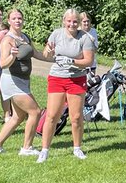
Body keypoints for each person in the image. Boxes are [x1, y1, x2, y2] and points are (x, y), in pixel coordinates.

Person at [37, 9, 97, 163]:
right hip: (57, 77)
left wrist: (72, 62)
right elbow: (46, 54)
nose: (72, 24)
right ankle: (44, 150)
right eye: (69, 21)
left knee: (76, 117)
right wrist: (48, 51)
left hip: (77, 79)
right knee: (52, 116)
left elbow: (89, 61)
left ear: (79, 22)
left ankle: (77, 148)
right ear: (64, 21)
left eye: (75, 21)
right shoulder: (56, 34)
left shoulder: (85, 38)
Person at [0, 9, 46, 156]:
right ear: (9, 21)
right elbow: (2, 63)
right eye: (14, 18)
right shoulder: (8, 40)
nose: (18, 21)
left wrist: (54, 57)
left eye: (20, 18)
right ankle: (27, 148)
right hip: (12, 81)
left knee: (17, 117)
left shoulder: (24, 37)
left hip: (23, 81)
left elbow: (37, 54)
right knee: (35, 112)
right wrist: (12, 56)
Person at [79, 11, 99, 76]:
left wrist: (91, 42)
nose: (86, 23)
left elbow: (95, 50)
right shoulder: (77, 31)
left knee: (91, 84)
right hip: (80, 64)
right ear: (80, 22)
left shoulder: (93, 31)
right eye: (84, 21)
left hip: (91, 64)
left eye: (88, 21)